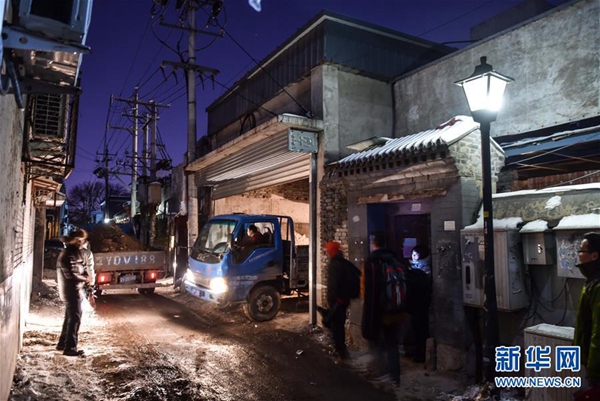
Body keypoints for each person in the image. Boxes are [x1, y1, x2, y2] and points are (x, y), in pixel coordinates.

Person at [361, 233, 409, 388]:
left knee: (374, 341)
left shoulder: (371, 262)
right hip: (397, 310)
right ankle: (395, 377)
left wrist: (369, 314)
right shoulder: (395, 260)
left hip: (379, 311)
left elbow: (369, 291)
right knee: (392, 344)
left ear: (373, 242)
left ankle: (381, 372)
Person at [56, 229, 91, 356]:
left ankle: (62, 343)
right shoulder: (67, 254)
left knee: (70, 318)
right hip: (71, 290)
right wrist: (84, 278)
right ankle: (70, 348)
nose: (82, 242)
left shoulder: (75, 252)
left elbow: (81, 267)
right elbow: (71, 274)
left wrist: (85, 275)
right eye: (80, 240)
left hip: (75, 289)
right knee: (75, 318)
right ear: (75, 240)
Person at [574, 232, 600, 389]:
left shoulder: (597, 285)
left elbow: (598, 332)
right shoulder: (592, 281)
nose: (578, 255)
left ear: (594, 255)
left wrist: (594, 369)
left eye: (582, 251)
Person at [324, 241, 353, 359]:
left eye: (328, 250)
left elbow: (333, 285)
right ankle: (341, 349)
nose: (326, 253)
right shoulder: (343, 262)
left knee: (336, 326)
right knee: (339, 324)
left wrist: (330, 299)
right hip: (343, 300)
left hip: (337, 301)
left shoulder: (335, 264)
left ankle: (341, 351)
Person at [406, 245, 432, 363]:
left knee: (421, 328)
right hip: (414, 303)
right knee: (415, 328)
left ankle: (421, 353)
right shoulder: (411, 268)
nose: (413, 256)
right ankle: (415, 350)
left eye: (415, 254)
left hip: (421, 304)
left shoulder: (425, 269)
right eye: (412, 254)